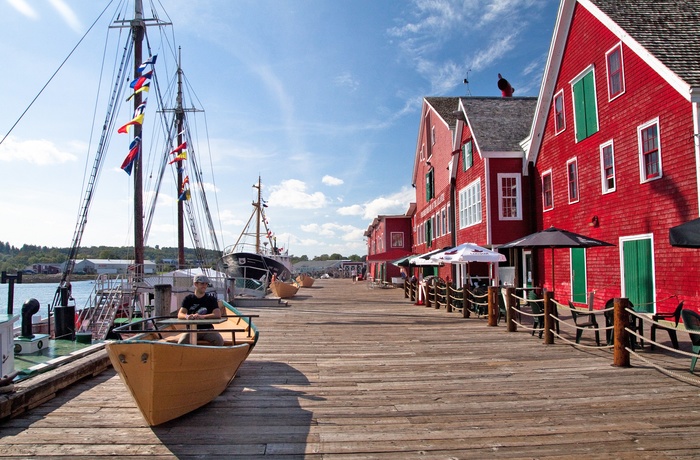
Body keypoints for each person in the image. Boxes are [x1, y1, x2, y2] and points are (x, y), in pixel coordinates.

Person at [177, 274, 224, 346]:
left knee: (219, 341)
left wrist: (202, 317)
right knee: (181, 343)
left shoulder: (211, 299)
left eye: (206, 284)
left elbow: (217, 314)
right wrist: (188, 316)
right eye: (202, 283)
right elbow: (180, 314)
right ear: (195, 284)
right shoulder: (188, 299)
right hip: (191, 330)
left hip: (207, 329)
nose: (204, 286)